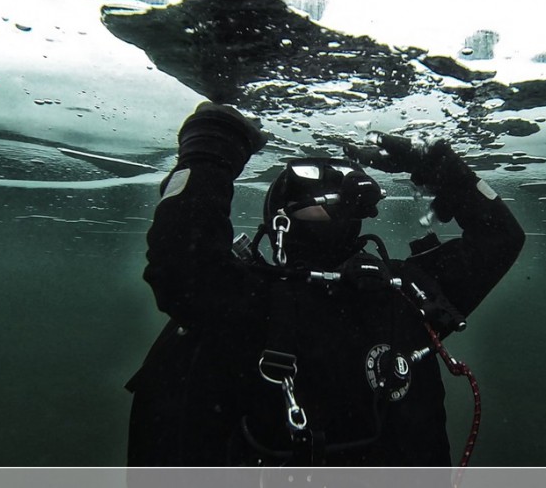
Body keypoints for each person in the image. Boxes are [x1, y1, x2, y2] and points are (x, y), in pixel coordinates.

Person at [126, 102, 525, 466]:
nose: (340, 195)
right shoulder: (253, 302)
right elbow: (180, 267)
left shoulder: (404, 292)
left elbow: (501, 238)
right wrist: (212, 148)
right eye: (318, 188)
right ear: (281, 217)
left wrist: (437, 164)